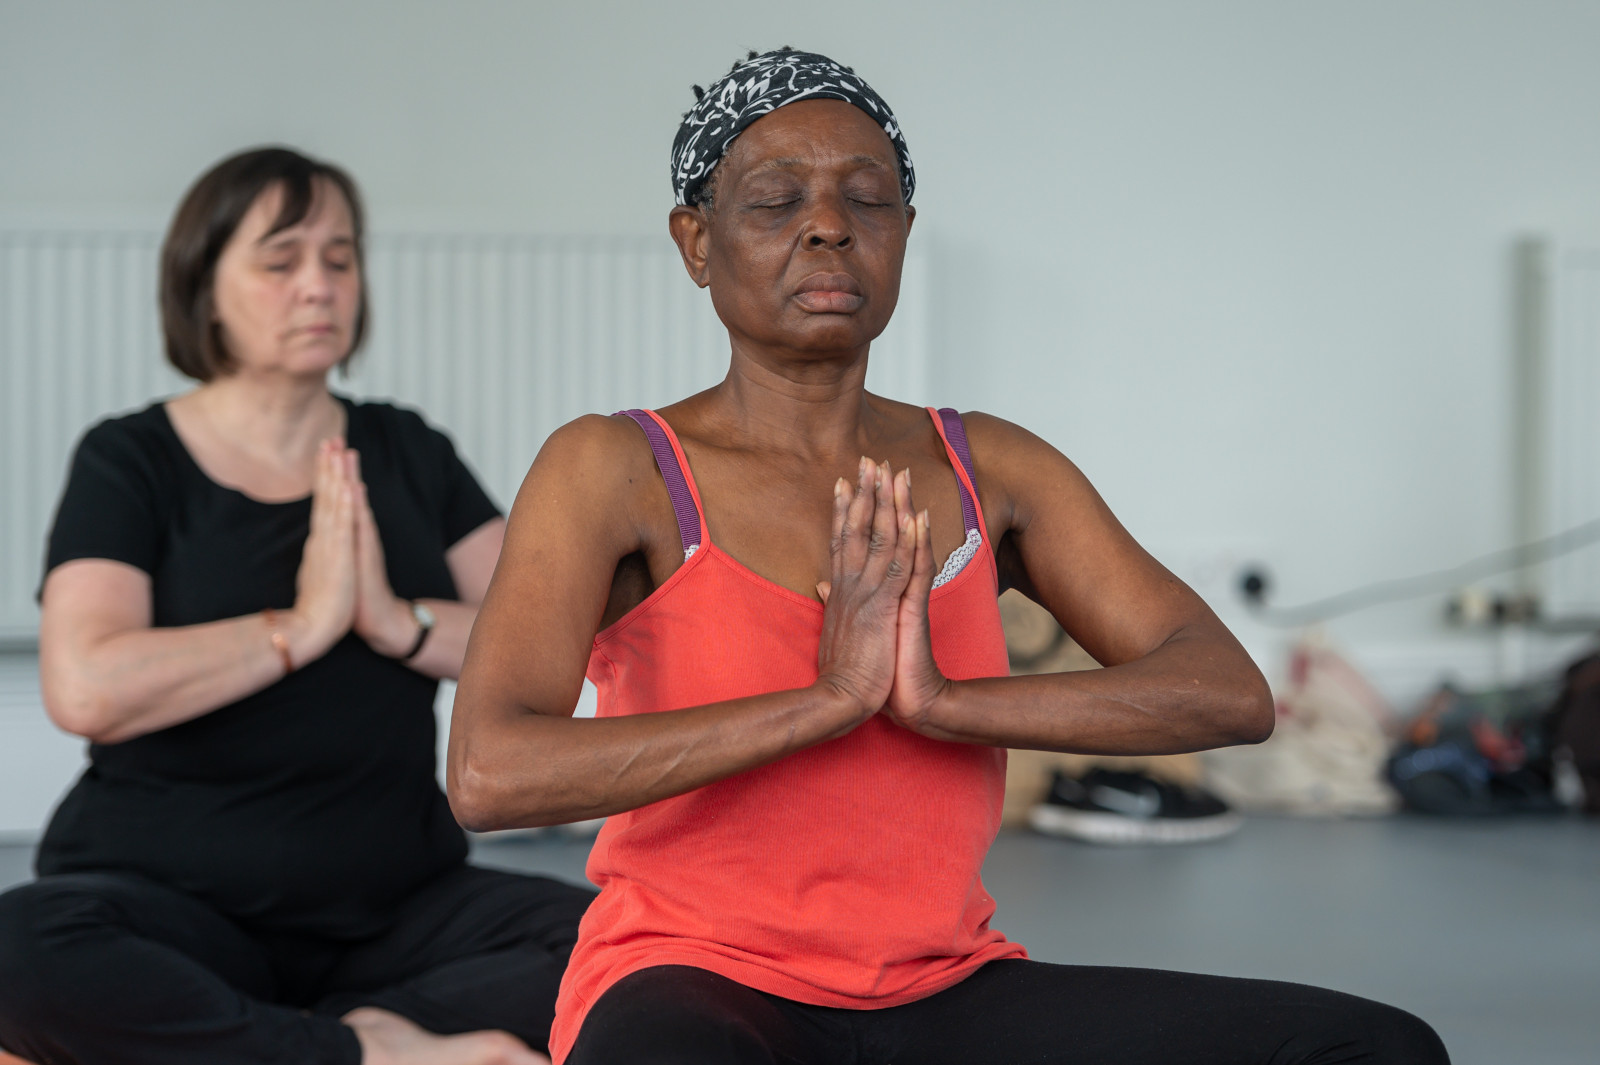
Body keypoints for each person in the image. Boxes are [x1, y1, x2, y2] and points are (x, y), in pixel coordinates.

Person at [447, 49, 1452, 1065]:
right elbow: (489, 773)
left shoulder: (990, 466)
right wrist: (827, 699)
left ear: (901, 236)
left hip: (945, 989)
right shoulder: (614, 469)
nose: (829, 224)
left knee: (1374, 1050)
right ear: (696, 242)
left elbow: (1227, 692)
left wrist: (940, 703)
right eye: (776, 199)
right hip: (693, 984)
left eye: (867, 199)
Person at [0, 147, 593, 1065]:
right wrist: (301, 627)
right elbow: (85, 683)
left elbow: (556, 645)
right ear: (203, 286)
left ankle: (287, 1039)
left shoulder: (407, 450)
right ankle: (378, 1051)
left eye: (340, 257)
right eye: (281, 261)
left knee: (621, 940)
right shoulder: (131, 459)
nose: (319, 286)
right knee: (19, 949)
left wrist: (399, 621)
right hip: (166, 903)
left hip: (393, 912)